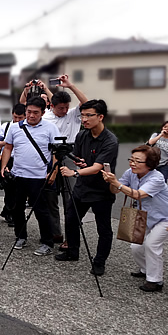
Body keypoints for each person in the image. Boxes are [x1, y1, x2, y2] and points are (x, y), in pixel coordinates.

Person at [55, 99, 119, 276]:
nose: (84, 119)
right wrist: (78, 161)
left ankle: (99, 262)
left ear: (100, 117)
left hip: (101, 190)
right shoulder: (82, 135)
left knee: (103, 228)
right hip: (82, 187)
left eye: (89, 115)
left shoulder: (110, 140)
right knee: (71, 218)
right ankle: (72, 251)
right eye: (82, 115)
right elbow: (79, 157)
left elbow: (98, 167)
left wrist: (74, 172)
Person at [102, 145, 168, 292]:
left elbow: (138, 194)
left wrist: (117, 184)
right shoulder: (130, 173)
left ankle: (155, 281)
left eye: (137, 161)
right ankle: (146, 270)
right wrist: (112, 182)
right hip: (144, 216)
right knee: (136, 246)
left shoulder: (157, 178)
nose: (132, 163)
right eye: (131, 160)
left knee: (152, 245)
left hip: (164, 218)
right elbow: (115, 190)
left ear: (150, 163)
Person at [0, 97, 60, 256]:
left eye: (35, 113)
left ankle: (47, 241)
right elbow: (8, 147)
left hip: (39, 177)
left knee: (41, 210)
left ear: (43, 112)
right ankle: (20, 236)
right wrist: (4, 166)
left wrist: (53, 171)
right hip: (17, 174)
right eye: (29, 112)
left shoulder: (50, 128)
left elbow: (56, 152)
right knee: (17, 208)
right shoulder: (15, 127)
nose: (31, 116)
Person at [40, 75, 88, 245]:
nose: (65, 110)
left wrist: (71, 86)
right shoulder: (45, 118)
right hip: (49, 155)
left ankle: (70, 237)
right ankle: (55, 233)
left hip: (70, 153)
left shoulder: (73, 115)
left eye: (67, 107)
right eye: (61, 108)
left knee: (71, 198)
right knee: (50, 196)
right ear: (52, 106)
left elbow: (87, 103)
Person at [0, 103, 26, 227]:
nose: (17, 120)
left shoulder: (28, 128)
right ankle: (9, 212)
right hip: (9, 158)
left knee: (20, 189)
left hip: (23, 160)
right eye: (15, 117)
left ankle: (11, 211)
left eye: (20, 118)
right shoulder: (7, 126)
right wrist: (8, 141)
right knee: (9, 188)